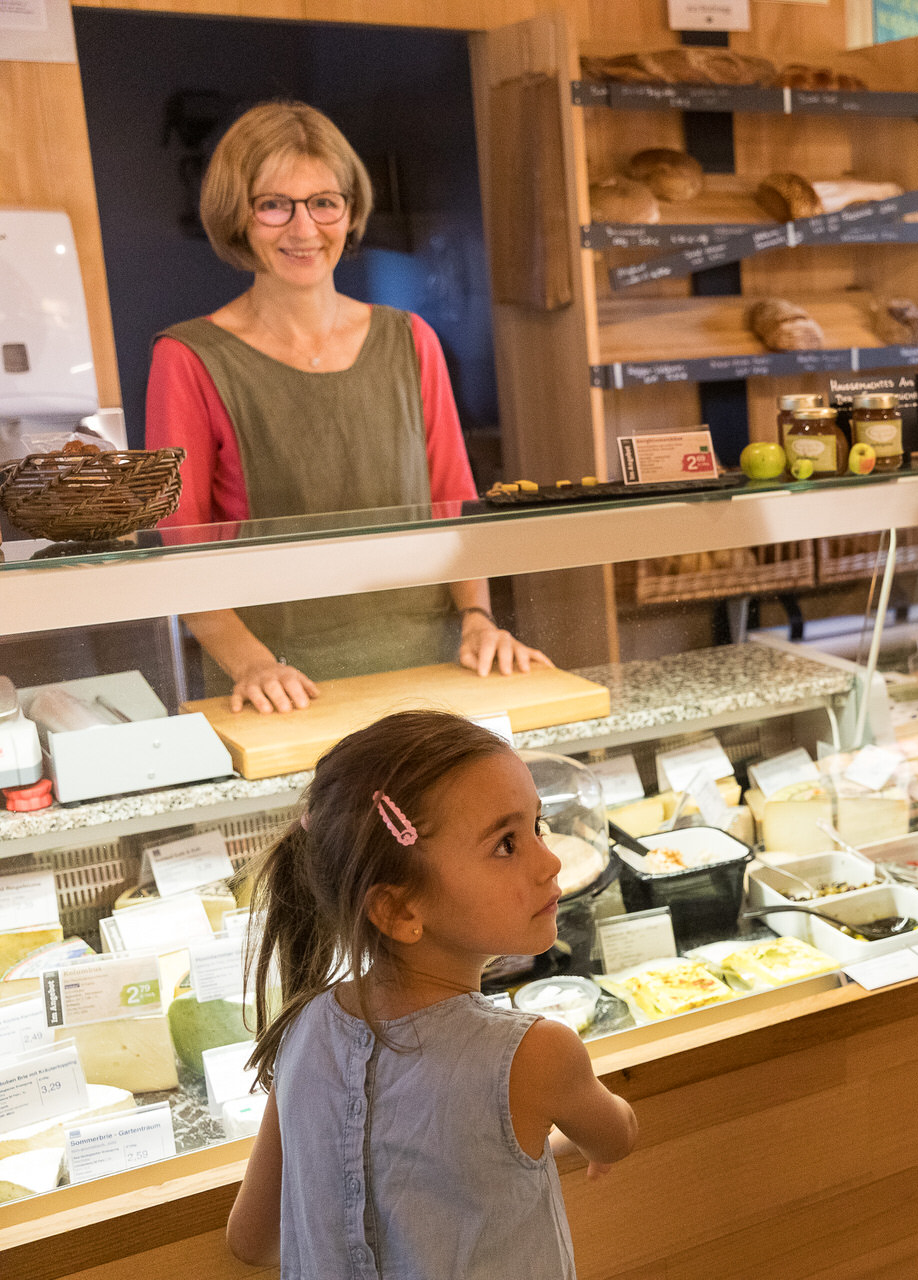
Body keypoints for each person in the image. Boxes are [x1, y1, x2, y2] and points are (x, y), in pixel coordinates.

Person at [147, 100, 547, 714]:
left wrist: (477, 619)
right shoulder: (188, 358)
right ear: (237, 216)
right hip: (277, 688)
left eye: (324, 202)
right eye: (273, 205)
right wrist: (252, 665)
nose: (304, 229)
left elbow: (453, 502)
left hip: (433, 669)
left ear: (351, 211)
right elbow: (181, 544)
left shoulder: (411, 339)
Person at [225, 711, 639, 1275]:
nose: (551, 861)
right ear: (398, 909)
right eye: (506, 844)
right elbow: (615, 1138)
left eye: (537, 827)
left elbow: (251, 1239)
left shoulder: (303, 1026)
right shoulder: (538, 1055)